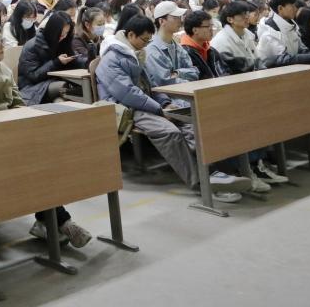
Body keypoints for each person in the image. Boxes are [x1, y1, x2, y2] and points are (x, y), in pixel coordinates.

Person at [0, 23, 92, 245]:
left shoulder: (3, 70)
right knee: (34, 166)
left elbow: (19, 105)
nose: (2, 45)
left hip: (10, 139)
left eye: (2, 40)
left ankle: (50, 222)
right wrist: (4, 119)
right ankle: (59, 222)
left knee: (46, 161)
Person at [95, 15, 249, 202]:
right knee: (170, 132)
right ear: (131, 35)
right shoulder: (111, 58)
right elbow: (128, 93)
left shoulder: (135, 52)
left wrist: (166, 103)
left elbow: (151, 84)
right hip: (127, 108)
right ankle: (202, 184)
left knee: (190, 125)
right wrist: (159, 110)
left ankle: (217, 173)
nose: (147, 44)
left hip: (147, 103)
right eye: (144, 39)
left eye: (149, 40)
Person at [17, 11, 82, 105]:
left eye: (66, 33)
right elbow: (33, 76)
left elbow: (73, 60)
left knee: (64, 97)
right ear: (52, 30)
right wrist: (56, 63)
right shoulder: (33, 46)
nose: (63, 36)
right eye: (61, 33)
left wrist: (86, 62)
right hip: (32, 87)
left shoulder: (63, 42)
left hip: (53, 82)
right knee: (65, 87)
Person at [256, 0, 310, 67]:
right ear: (280, 8)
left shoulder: (292, 26)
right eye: (292, 6)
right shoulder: (270, 31)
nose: (295, 9)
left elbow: (302, 50)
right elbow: (283, 59)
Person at [144, 0, 199, 93]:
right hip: (170, 98)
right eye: (175, 17)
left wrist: (178, 73)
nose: (180, 21)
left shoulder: (177, 46)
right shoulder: (152, 50)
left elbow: (195, 72)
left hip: (185, 94)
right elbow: (165, 83)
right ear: (162, 21)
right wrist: (187, 79)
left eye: (180, 17)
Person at [210, 1, 260, 73]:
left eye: (247, 13)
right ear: (230, 19)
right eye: (243, 15)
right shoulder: (221, 41)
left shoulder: (247, 35)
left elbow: (257, 60)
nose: (247, 17)